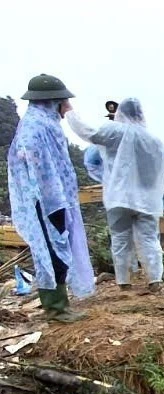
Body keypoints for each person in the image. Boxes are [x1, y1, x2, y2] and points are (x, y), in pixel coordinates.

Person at [7, 74, 94, 321]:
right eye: (62, 101)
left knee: (60, 247)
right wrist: (48, 192)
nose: (65, 107)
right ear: (51, 101)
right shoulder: (34, 126)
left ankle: (60, 304)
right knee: (52, 251)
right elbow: (30, 160)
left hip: (56, 198)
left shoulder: (46, 123)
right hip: (45, 201)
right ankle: (55, 308)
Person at [66, 97, 164, 294]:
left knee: (120, 238)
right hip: (147, 200)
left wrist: (70, 112)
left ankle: (124, 283)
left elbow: (88, 133)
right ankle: (155, 280)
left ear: (120, 112)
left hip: (119, 197)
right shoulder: (154, 140)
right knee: (149, 239)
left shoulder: (114, 131)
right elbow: (162, 169)